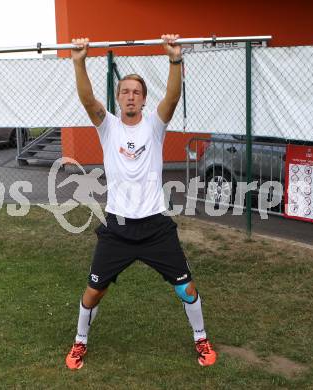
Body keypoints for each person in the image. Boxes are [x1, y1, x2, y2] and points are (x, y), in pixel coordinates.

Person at [66, 34, 217, 369]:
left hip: (155, 226)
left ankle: (201, 338)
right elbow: (88, 100)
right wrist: (79, 61)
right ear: (118, 99)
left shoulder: (155, 125)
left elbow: (173, 97)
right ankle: (80, 342)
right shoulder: (108, 127)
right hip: (117, 226)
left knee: (187, 290)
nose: (130, 96)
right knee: (94, 293)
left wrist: (175, 59)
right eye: (125, 92)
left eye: (136, 92)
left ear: (144, 99)